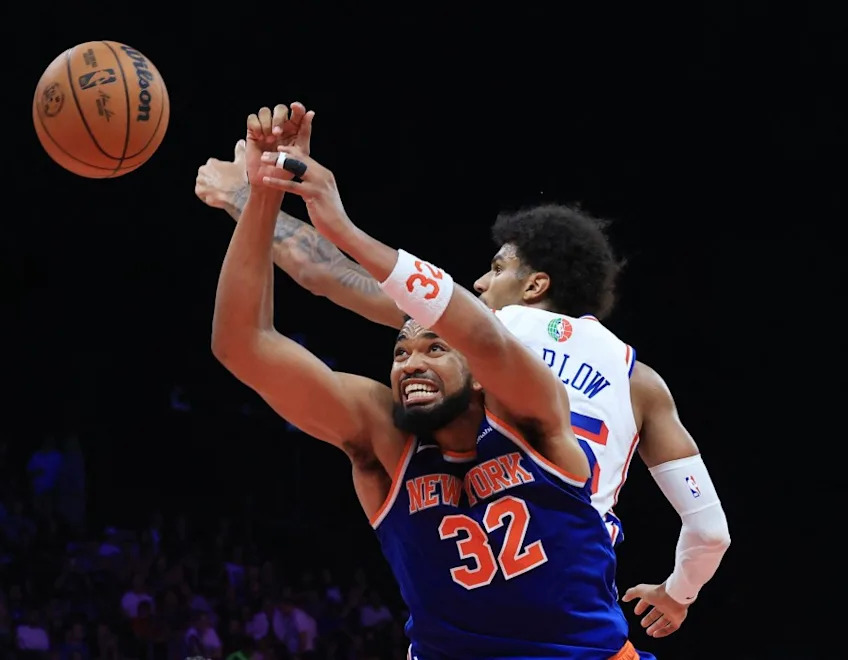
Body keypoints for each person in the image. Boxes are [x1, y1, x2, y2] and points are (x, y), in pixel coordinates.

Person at [196, 146, 730, 638]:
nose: (477, 283)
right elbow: (709, 531)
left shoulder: (475, 327)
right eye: (406, 352)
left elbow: (322, 271)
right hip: (572, 563)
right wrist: (676, 594)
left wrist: (242, 195)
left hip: (488, 518)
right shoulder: (641, 381)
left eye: (496, 268)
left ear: (535, 284)